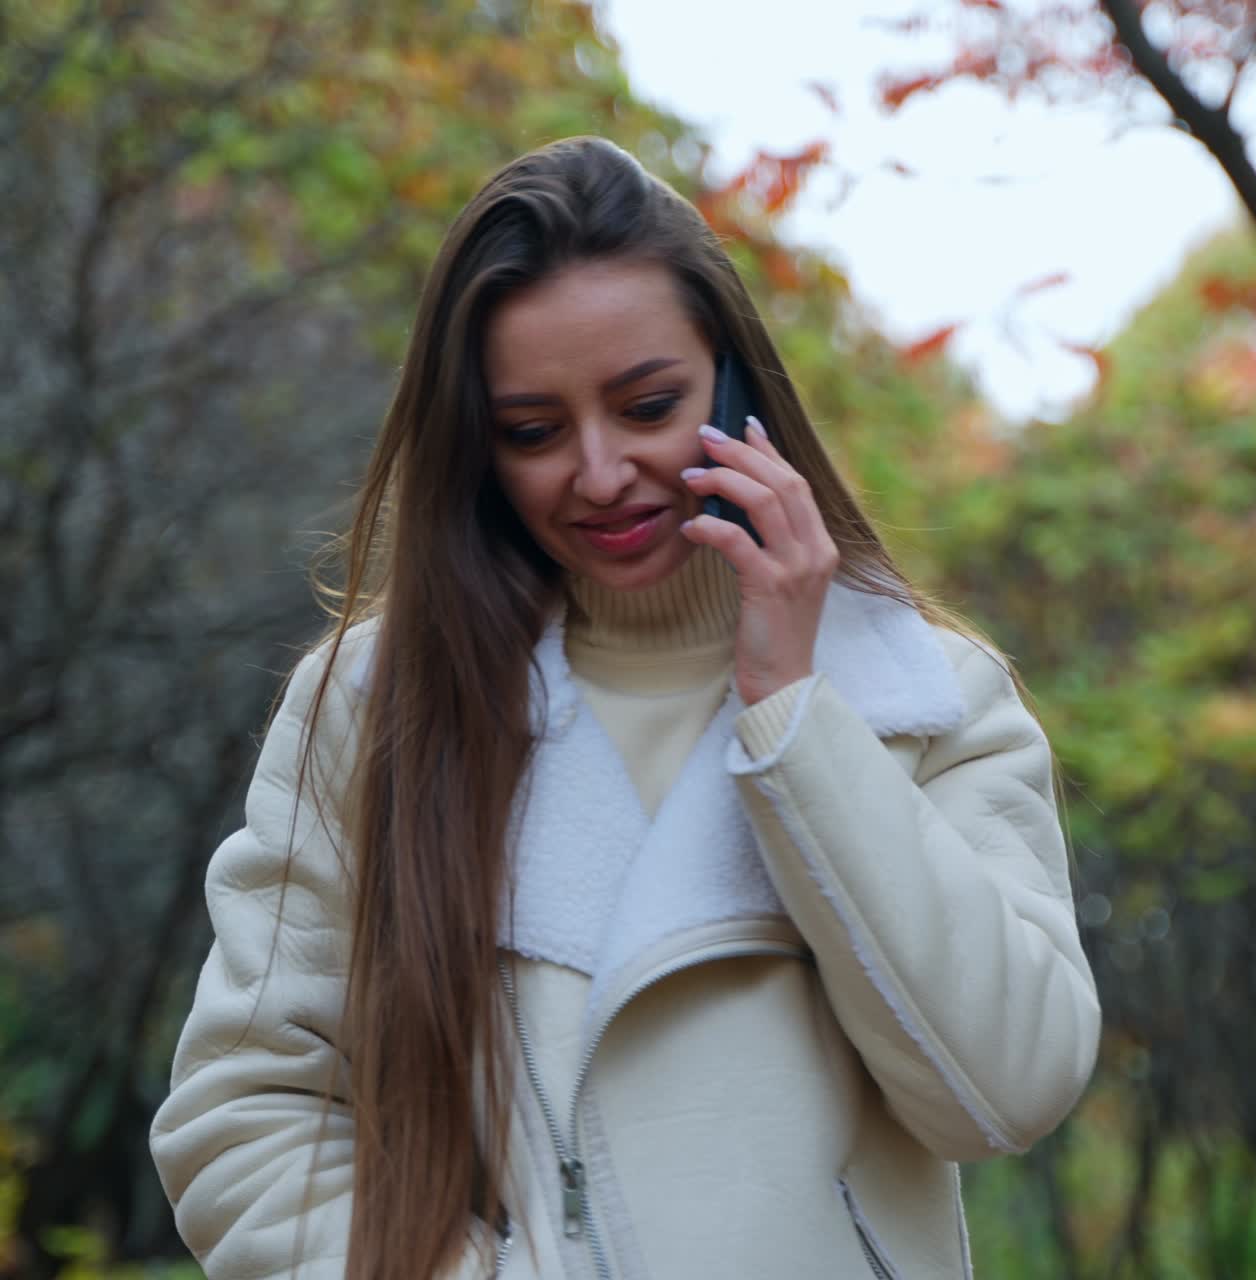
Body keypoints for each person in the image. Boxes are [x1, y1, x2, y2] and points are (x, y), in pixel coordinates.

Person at [150, 135, 1100, 1280]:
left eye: (647, 404)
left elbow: (1007, 1087)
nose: (599, 473)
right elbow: (243, 1115)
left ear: (737, 384)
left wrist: (794, 710)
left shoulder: (922, 693)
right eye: (533, 431)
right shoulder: (371, 705)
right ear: (477, 447)